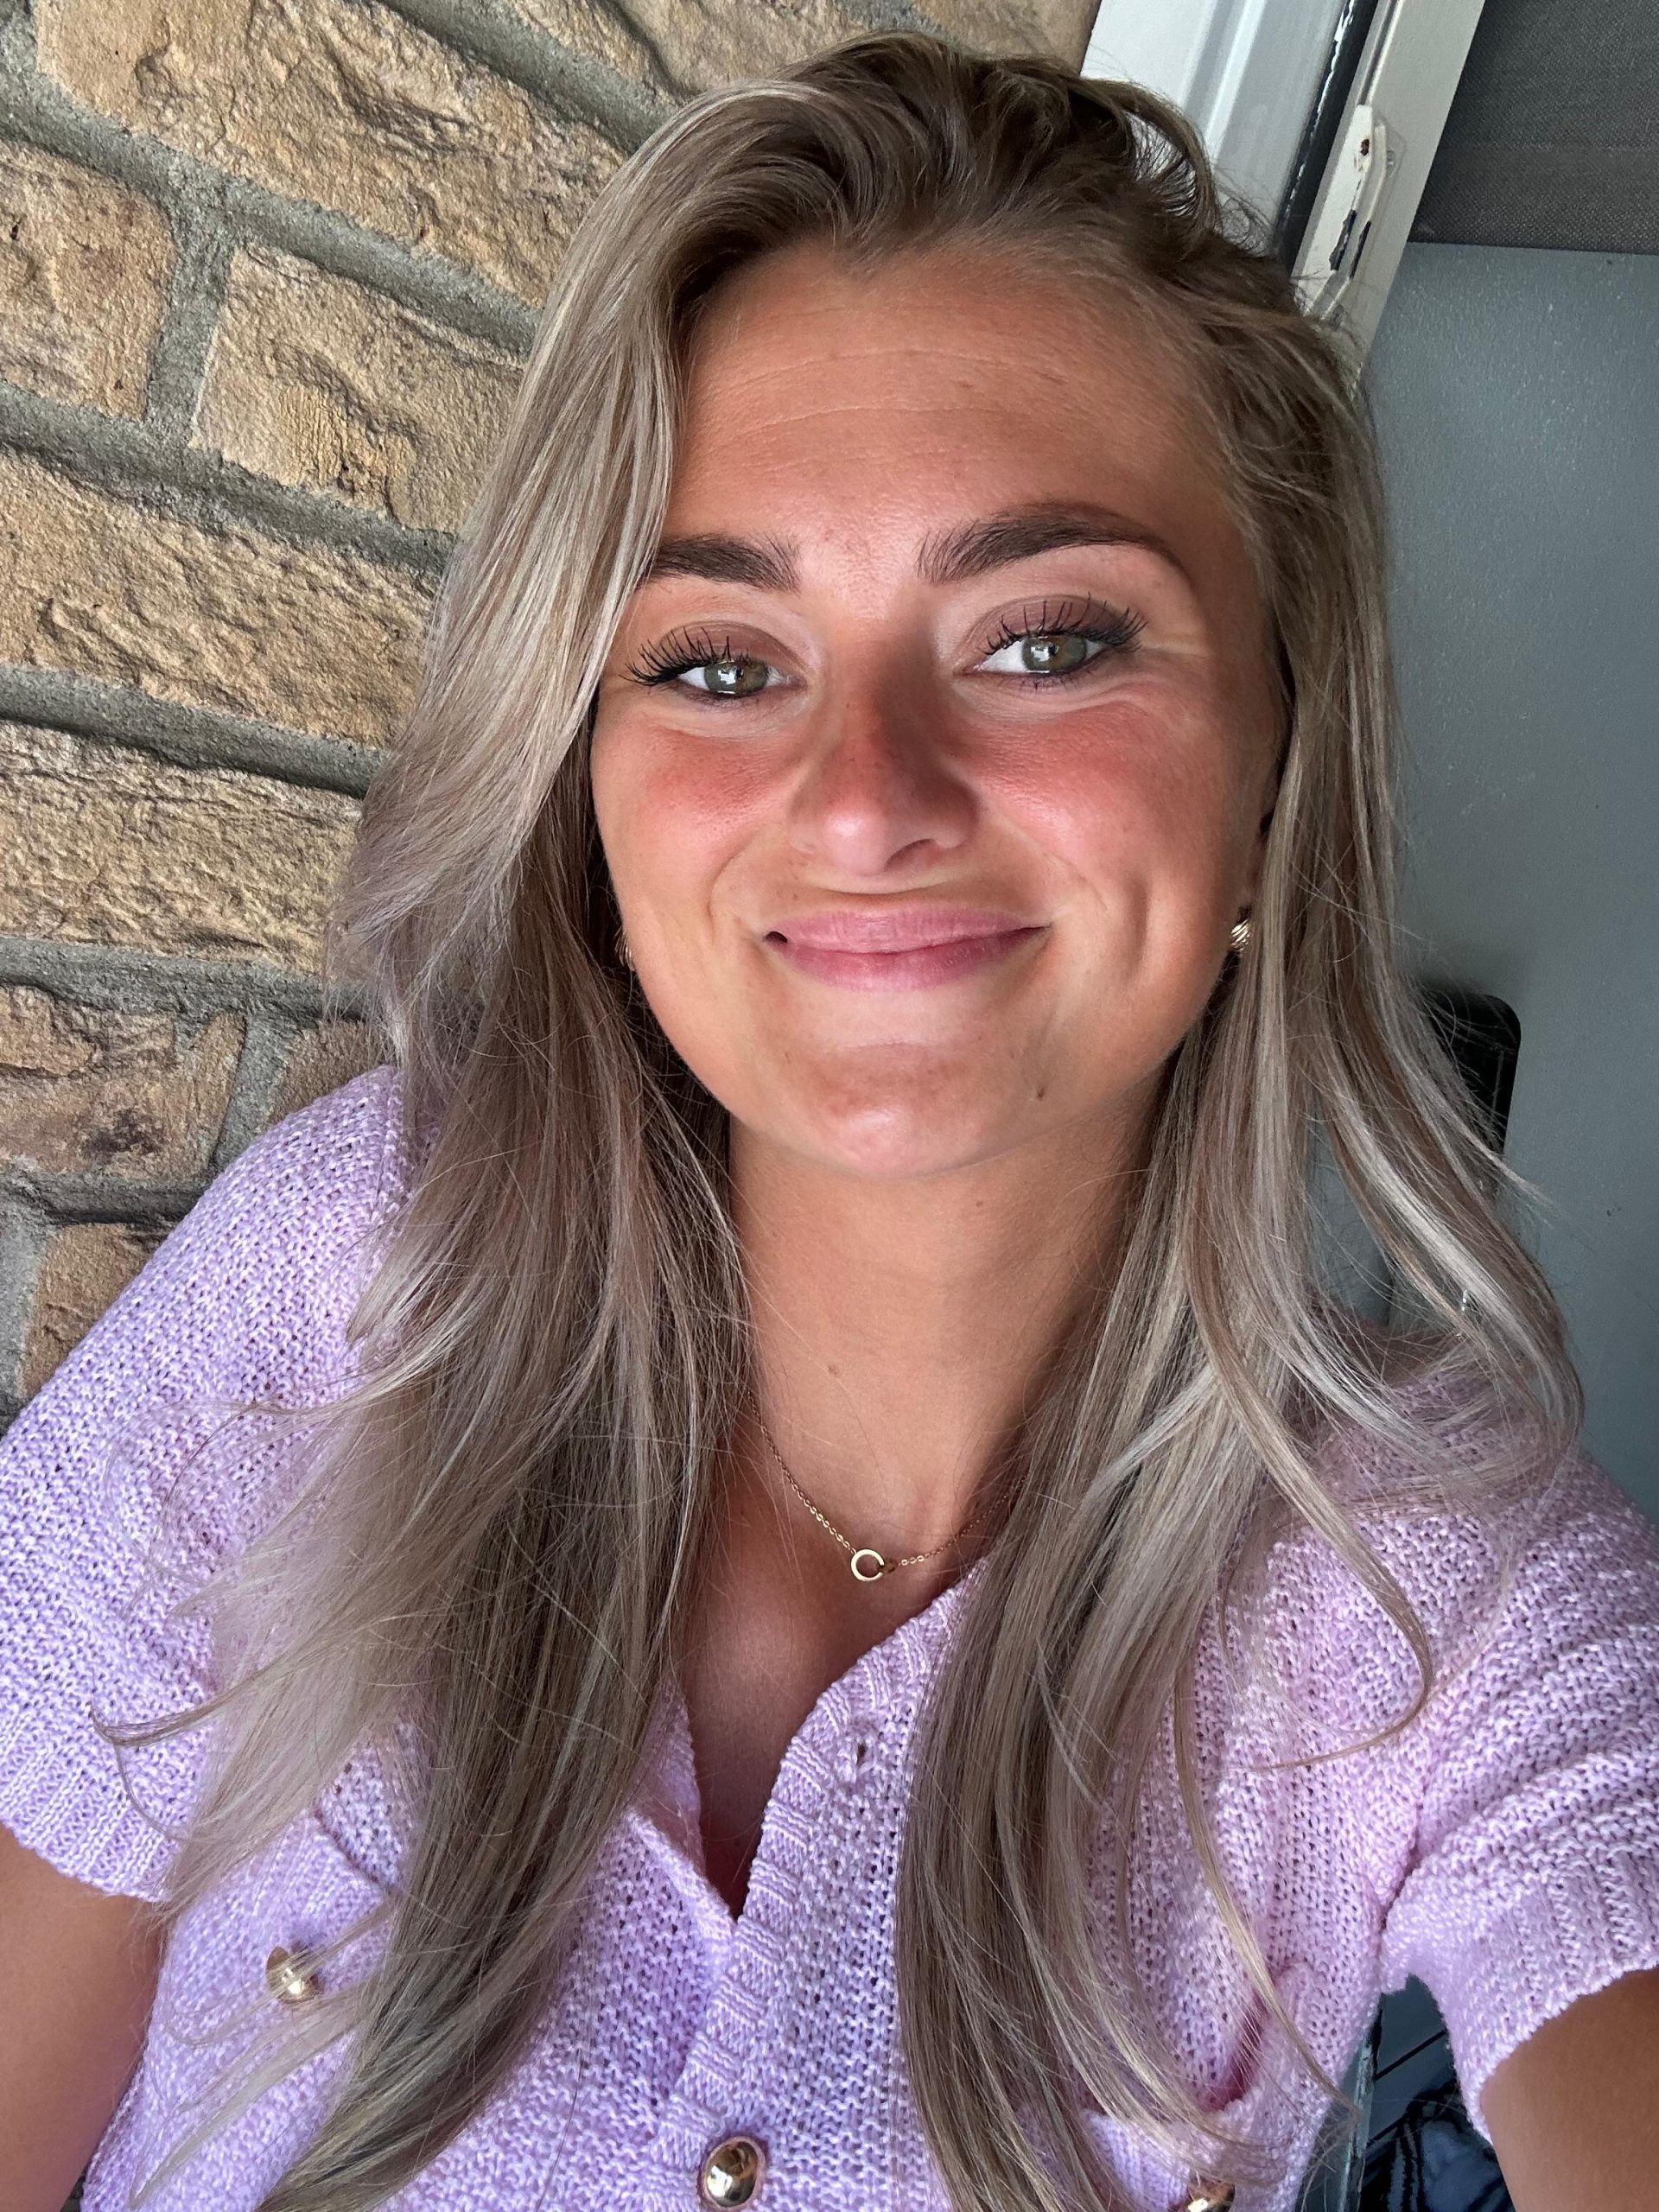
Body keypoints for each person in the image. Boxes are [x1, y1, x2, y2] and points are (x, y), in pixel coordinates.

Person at [2, 29, 1656, 2212]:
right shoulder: (353, 1276)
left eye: (1049, 638)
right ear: (589, 785)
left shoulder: (1435, 1592)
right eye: (717, 659)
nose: (867, 799)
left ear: (1278, 771)